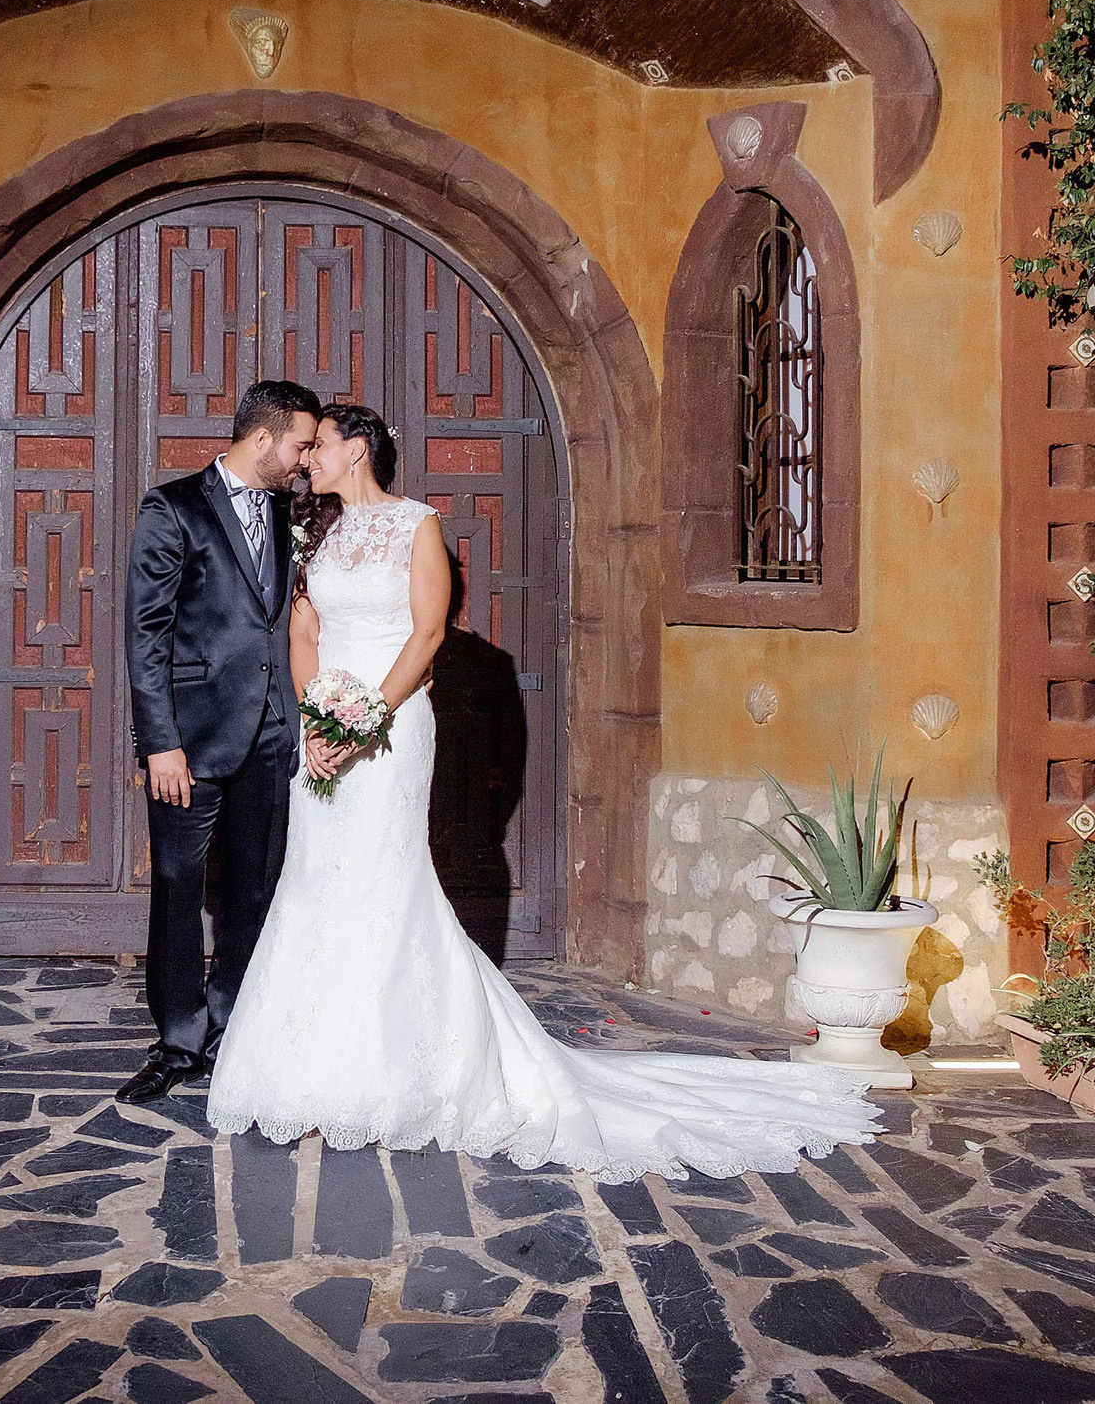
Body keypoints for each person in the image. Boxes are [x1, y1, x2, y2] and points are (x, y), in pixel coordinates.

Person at [205, 402, 882, 1181]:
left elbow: (427, 633)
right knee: (315, 886)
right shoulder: (312, 529)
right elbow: (301, 632)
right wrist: (320, 715)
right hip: (325, 729)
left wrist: (364, 719)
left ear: (358, 449)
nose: (306, 458)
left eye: (318, 445)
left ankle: (400, 1074)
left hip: (390, 730)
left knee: (380, 887)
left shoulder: (417, 525)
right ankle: (304, 1073)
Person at [116, 379, 322, 1106]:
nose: (305, 461)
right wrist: (159, 743)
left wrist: (293, 723)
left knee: (253, 891)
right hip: (190, 746)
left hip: (267, 737)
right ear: (261, 439)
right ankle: (177, 1040)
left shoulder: (284, 510)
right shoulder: (172, 508)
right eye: (300, 445)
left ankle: (233, 1024)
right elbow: (145, 636)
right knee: (178, 891)